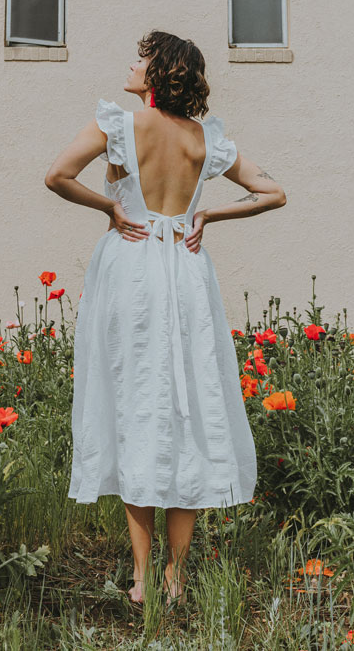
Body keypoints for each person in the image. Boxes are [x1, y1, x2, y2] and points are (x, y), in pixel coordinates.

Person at [44, 30, 287, 607]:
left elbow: (57, 175)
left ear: (158, 74)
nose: (131, 65)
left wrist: (111, 206)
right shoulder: (205, 140)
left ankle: (143, 578)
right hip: (184, 270)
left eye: (142, 59)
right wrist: (208, 214)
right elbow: (273, 192)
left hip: (131, 271)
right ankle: (177, 577)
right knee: (189, 409)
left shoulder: (118, 126)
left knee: (135, 408)